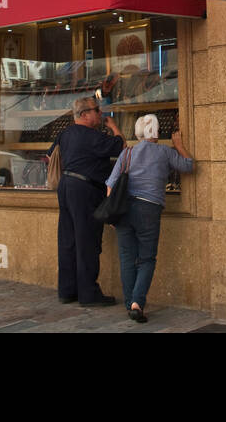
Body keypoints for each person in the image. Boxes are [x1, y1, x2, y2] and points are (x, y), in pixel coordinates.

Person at [106, 114, 194, 323]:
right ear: (156, 132)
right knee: (146, 258)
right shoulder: (164, 151)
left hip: (124, 209)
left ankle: (130, 304)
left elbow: (110, 185)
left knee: (127, 258)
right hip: (149, 208)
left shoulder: (127, 153)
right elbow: (189, 166)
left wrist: (112, 214)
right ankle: (137, 302)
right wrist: (179, 145)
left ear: (137, 132)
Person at [54, 95, 125, 306]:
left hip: (66, 185)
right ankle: (88, 294)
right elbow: (121, 146)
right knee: (87, 242)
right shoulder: (91, 136)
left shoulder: (65, 133)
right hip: (84, 189)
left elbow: (51, 156)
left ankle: (67, 290)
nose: (100, 113)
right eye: (97, 110)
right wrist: (114, 126)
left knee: (68, 241)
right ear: (85, 115)